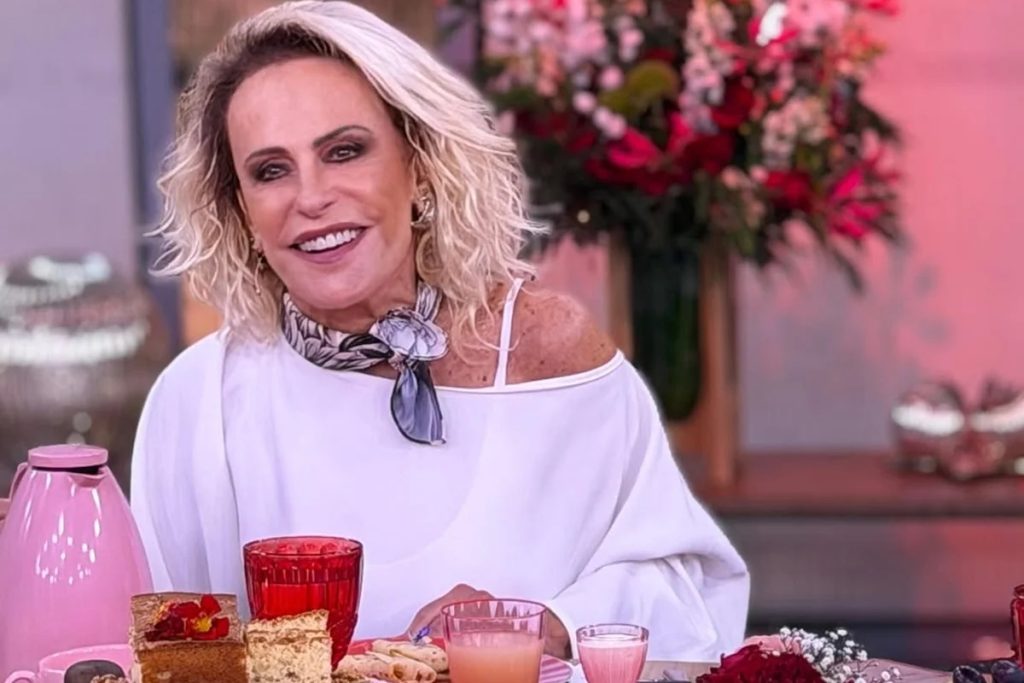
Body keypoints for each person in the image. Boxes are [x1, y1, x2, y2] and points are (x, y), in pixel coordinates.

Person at [131, 0, 749, 661]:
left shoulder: (545, 352)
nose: (310, 197)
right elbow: (163, 655)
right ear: (241, 212)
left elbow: (689, 593)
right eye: (270, 170)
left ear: (419, 165)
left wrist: (548, 625)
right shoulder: (200, 401)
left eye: (345, 152)